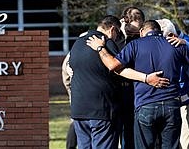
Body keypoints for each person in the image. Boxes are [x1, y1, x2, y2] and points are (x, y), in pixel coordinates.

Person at [86, 20, 189, 149]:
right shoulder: (176, 44)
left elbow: (112, 65)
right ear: (160, 32)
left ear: (141, 32)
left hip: (145, 104)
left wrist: (100, 48)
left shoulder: (135, 45)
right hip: (171, 105)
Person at [69, 16, 169, 149]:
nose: (117, 38)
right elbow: (119, 69)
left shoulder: (77, 43)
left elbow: (71, 68)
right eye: (117, 34)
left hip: (79, 109)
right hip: (101, 109)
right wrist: (146, 78)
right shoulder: (107, 43)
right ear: (112, 30)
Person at [157, 19, 189, 149]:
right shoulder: (176, 42)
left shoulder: (187, 43)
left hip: (188, 96)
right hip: (173, 96)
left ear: (171, 36)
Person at [118, 6, 145, 149]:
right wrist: (123, 33)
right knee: (126, 134)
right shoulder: (119, 38)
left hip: (142, 92)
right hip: (123, 92)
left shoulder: (145, 38)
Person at [61, 52, 77, 149]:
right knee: (76, 121)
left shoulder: (74, 51)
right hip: (79, 91)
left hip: (76, 90)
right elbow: (67, 75)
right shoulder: (75, 53)